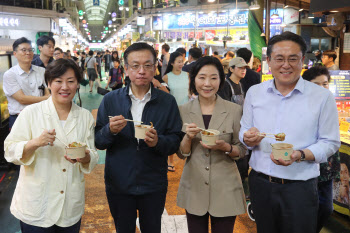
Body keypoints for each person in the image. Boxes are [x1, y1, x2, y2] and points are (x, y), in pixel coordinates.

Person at [239, 31, 340, 233]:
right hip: (261, 183)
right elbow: (244, 130)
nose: (286, 65)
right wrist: (247, 138)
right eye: (279, 59)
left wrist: (300, 155)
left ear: (302, 60)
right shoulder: (255, 93)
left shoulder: (321, 97)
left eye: (293, 59)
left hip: (300, 187)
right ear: (269, 61)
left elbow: (330, 142)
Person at [95, 42, 182, 233]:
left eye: (147, 65)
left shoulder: (167, 101)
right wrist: (110, 131)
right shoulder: (111, 100)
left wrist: (158, 141)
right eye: (135, 66)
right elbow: (98, 141)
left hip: (153, 184)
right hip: (119, 184)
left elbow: (176, 141)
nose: (141, 71)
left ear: (155, 68)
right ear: (126, 69)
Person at [4, 58, 99, 232]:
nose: (65, 87)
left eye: (71, 81)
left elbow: (93, 154)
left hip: (70, 204)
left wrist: (84, 157)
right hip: (37, 204)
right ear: (48, 83)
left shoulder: (85, 116)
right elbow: (9, 150)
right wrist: (35, 143)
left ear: (78, 84)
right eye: (58, 81)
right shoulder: (31, 113)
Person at [177, 56, 246, 233]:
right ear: (193, 80)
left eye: (214, 78)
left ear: (221, 80)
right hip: (194, 186)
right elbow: (181, 153)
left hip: (225, 187)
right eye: (202, 77)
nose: (207, 83)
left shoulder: (234, 110)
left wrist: (227, 148)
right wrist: (187, 138)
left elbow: (243, 149)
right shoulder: (183, 111)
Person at [302, 66, 341, 233]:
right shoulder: (299, 105)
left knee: (325, 208)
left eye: (325, 84)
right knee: (305, 209)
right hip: (305, 164)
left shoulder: (330, 103)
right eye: (316, 84)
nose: (322, 88)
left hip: (327, 166)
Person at [3, 37, 50, 129]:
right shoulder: (10, 74)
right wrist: (46, 98)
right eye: (24, 50)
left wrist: (47, 96)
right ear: (15, 54)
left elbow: (47, 89)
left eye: (30, 50)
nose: (28, 53)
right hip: (19, 118)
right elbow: (22, 99)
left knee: (42, 142)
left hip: (40, 116)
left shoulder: (41, 71)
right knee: (21, 143)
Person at [162, 51, 189, 172]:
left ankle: (189, 160)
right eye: (178, 61)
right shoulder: (166, 77)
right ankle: (170, 161)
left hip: (187, 109)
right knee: (172, 134)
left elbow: (190, 92)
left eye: (182, 61)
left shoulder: (187, 75)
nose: (181, 64)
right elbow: (165, 96)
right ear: (172, 63)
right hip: (173, 110)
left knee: (188, 135)